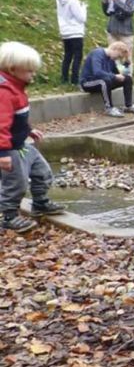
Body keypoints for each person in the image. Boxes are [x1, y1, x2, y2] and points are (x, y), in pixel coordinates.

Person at [0, 42, 66, 233]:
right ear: (13, 69)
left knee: (42, 172)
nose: (33, 75)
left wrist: (28, 130)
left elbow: (16, 117)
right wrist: (3, 153)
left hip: (21, 144)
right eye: (29, 71)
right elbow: (1, 124)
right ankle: (9, 216)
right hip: (9, 148)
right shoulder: (4, 93)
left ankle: (40, 202)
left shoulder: (17, 87)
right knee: (16, 184)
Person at [80, 42, 134, 118]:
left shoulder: (111, 59)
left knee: (127, 79)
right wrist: (114, 76)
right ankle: (109, 107)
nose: (117, 59)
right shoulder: (97, 54)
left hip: (105, 80)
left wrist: (124, 69)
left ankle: (129, 105)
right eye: (118, 56)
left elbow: (116, 73)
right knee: (104, 81)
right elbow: (97, 72)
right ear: (115, 50)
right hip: (89, 82)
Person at [56, 0, 87, 85]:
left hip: (65, 30)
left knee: (68, 54)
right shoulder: (72, 0)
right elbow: (81, 17)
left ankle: (64, 78)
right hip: (75, 31)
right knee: (78, 55)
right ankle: (75, 79)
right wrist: (83, 7)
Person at [102, 0, 134, 69]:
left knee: (127, 57)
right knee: (112, 55)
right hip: (112, 30)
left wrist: (116, 0)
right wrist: (105, 1)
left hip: (126, 32)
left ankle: (127, 78)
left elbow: (129, 10)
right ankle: (114, 78)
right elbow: (107, 12)